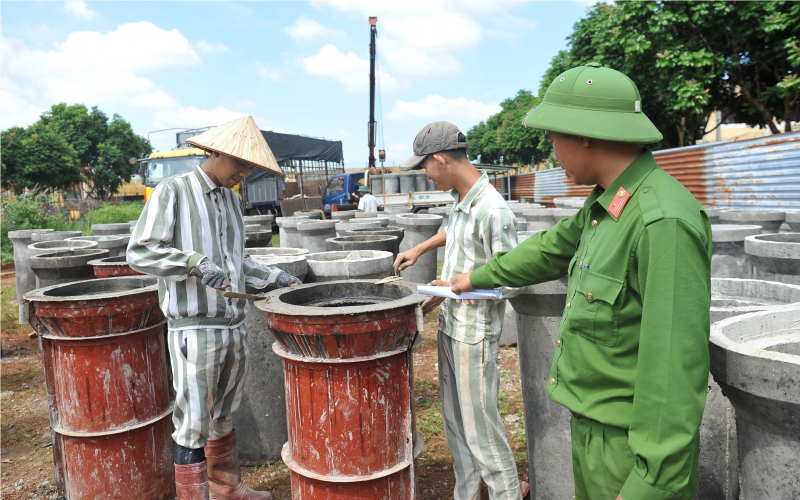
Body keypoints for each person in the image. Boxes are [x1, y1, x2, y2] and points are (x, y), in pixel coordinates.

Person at [449, 63, 712, 500]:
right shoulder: (608, 203)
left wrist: (649, 485)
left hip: (631, 454)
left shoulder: (662, 221)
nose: (551, 149)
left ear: (585, 133)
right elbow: (549, 249)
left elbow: (673, 377)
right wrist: (474, 277)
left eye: (553, 136)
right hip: (593, 432)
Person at [127, 115, 301, 500]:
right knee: (193, 422)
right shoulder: (173, 191)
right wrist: (192, 263)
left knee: (223, 415)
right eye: (240, 164)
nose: (244, 173)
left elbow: (238, 261)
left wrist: (278, 278)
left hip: (233, 326)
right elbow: (140, 251)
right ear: (218, 152)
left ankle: (226, 488)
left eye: (250, 168)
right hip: (195, 328)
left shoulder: (231, 201)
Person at [394, 121, 527, 500]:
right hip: (452, 325)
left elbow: (511, 281)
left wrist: (457, 283)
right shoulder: (462, 200)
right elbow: (455, 229)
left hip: (474, 335)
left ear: (440, 159)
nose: (425, 176)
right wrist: (421, 249)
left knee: (481, 432)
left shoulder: (493, 210)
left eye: (425, 168)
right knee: (456, 427)